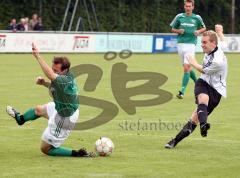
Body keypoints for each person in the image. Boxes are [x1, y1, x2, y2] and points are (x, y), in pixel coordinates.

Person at [6, 43, 95, 157]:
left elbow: (51, 76)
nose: (54, 72)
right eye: (53, 69)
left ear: (65, 70)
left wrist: (38, 56)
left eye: (56, 70)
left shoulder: (65, 80)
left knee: (46, 149)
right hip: (61, 107)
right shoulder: (65, 78)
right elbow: (56, 85)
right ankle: (21, 119)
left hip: (64, 117)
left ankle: (78, 153)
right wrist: (44, 83)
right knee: (38, 110)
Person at [165, 30, 228, 149]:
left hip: (217, 90)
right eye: (201, 42)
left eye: (204, 42)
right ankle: (201, 126)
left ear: (213, 43)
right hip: (203, 82)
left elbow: (204, 70)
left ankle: (184, 135)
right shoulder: (216, 45)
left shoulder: (218, 61)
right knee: (203, 99)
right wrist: (220, 32)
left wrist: (192, 62)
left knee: (194, 118)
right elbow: (224, 42)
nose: (202, 45)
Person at [170, 0, 206, 99]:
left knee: (186, 67)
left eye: (190, 6)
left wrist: (198, 31)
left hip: (191, 45)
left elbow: (204, 28)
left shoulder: (197, 17)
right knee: (188, 68)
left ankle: (182, 91)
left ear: (193, 7)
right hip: (180, 45)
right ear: (184, 6)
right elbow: (172, 29)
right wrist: (178, 31)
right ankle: (198, 83)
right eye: (186, 6)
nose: (188, 8)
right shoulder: (179, 16)